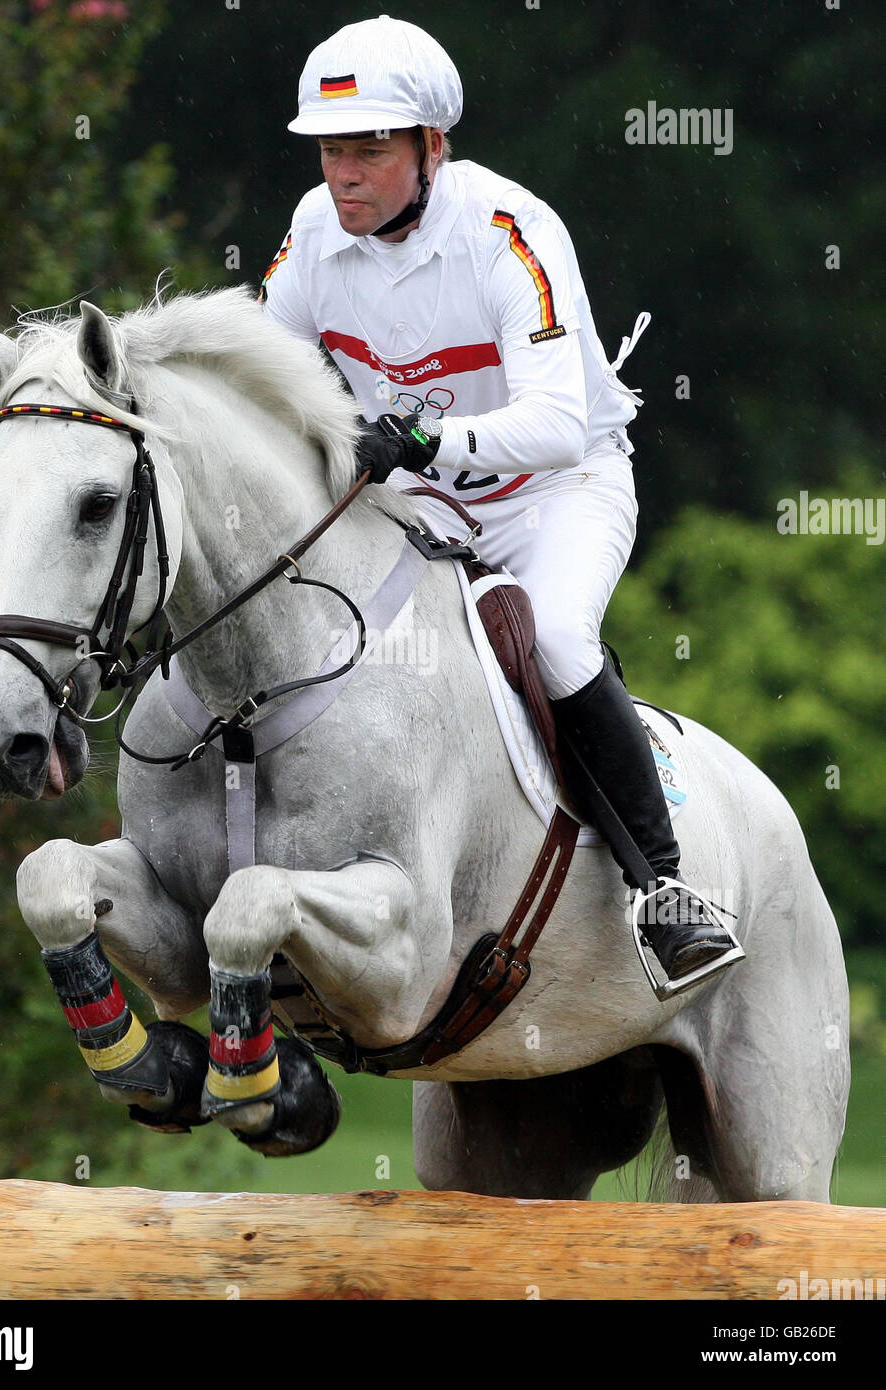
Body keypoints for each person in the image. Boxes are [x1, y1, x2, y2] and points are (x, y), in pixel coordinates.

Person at [259, 14, 741, 992]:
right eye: (329, 151)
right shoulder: (313, 233)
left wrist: (423, 437)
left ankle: (664, 890)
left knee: (555, 639)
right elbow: (260, 367)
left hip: (554, 495)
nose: (342, 174)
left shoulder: (506, 230)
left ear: (432, 147)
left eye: (368, 150)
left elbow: (559, 425)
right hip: (420, 506)